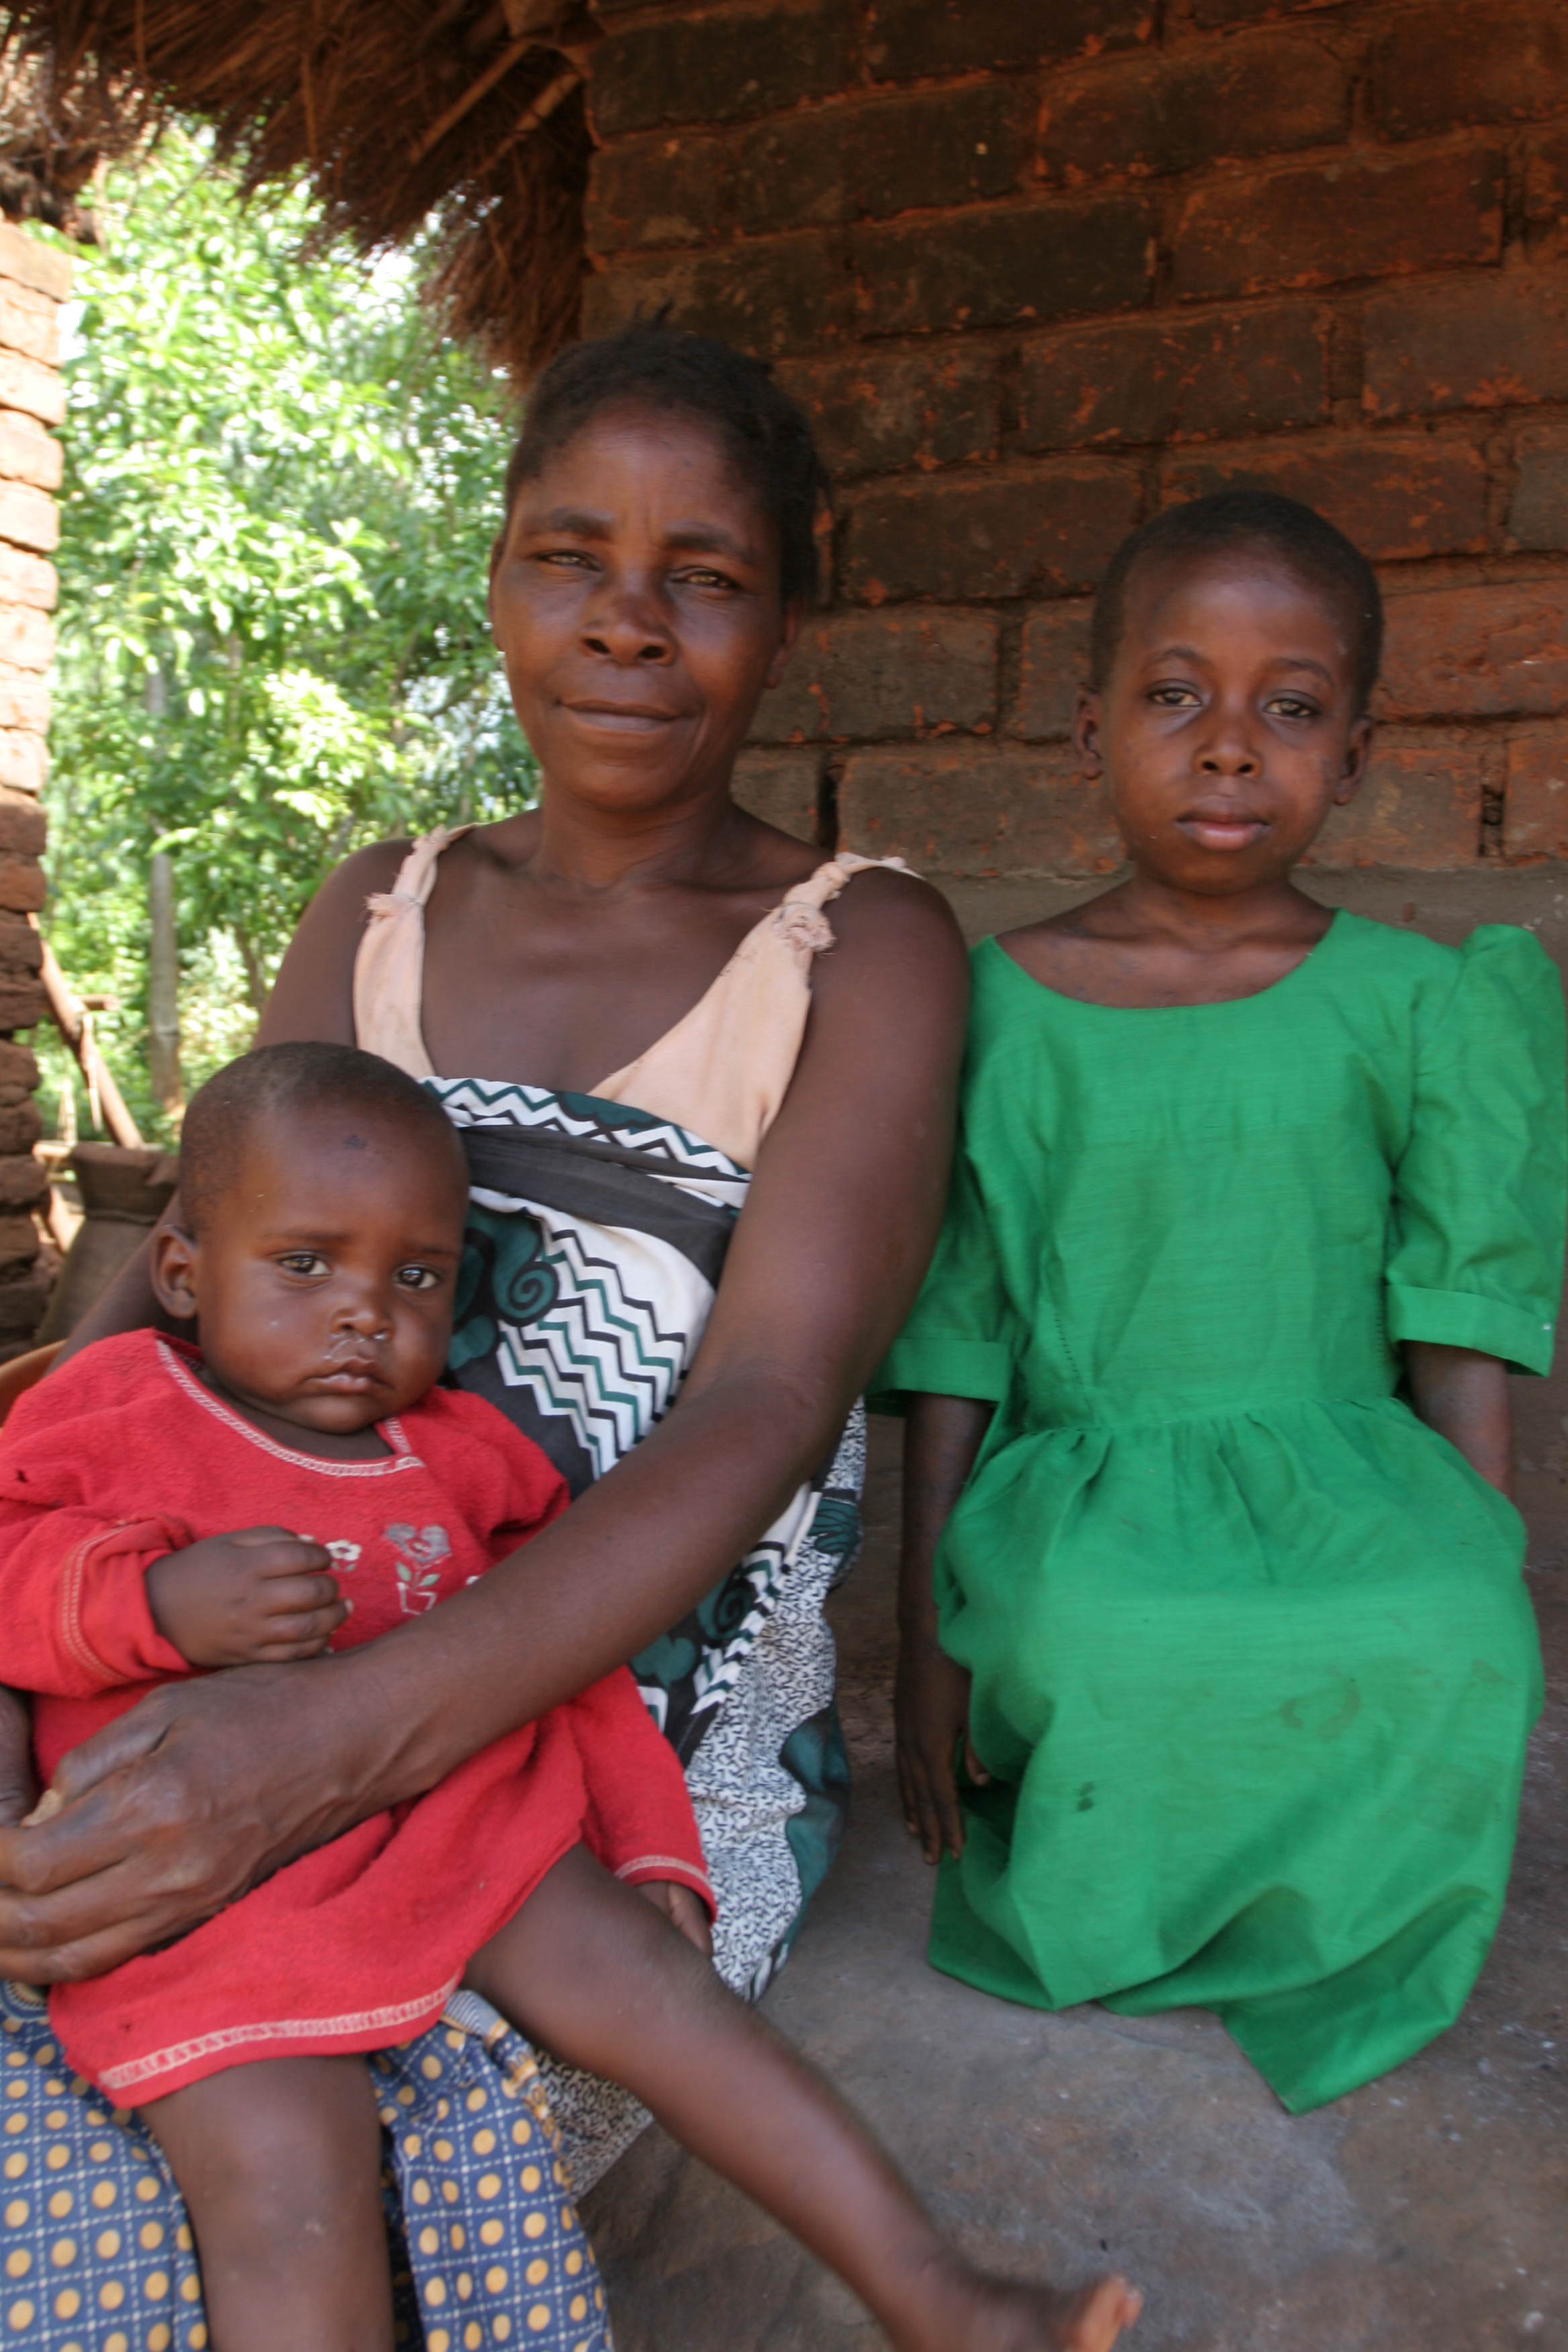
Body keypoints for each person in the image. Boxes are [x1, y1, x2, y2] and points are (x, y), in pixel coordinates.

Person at [0, 322, 1055, 2338]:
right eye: (571, 557)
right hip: (225, 1656)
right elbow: (150, 1332)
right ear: (496, 579)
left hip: (602, 1770)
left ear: (787, 615)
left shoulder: (862, 946)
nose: (631, 625)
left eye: (707, 576)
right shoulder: (375, 911)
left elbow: (760, 1405)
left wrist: (316, 1749)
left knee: (279, 2197)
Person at [2, 1042, 1139, 2352]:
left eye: (415, 1275)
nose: (365, 1311)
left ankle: (936, 2294)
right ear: (183, 1273)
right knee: (284, 2163)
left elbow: (559, 1660)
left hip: (461, 1824)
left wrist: (650, 1835)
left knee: (668, 2002)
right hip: (199, 1885)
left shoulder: (467, 1457)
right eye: (305, 1264)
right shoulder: (107, 1408)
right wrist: (141, 1607)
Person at [879, 490, 1566, 2116]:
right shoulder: (986, 1007)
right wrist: (924, 1640)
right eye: (1175, 695)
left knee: (1448, 1627)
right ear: (1088, 726)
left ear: (1359, 747)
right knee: (1098, 1633)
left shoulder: (1419, 1000)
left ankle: (1344, 1915)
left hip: (1345, 1468)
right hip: (1090, 1480)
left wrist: (1476, 1560)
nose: (1230, 746)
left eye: (1292, 706)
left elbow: (1453, 1324)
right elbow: (957, 1337)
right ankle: (1136, 1907)